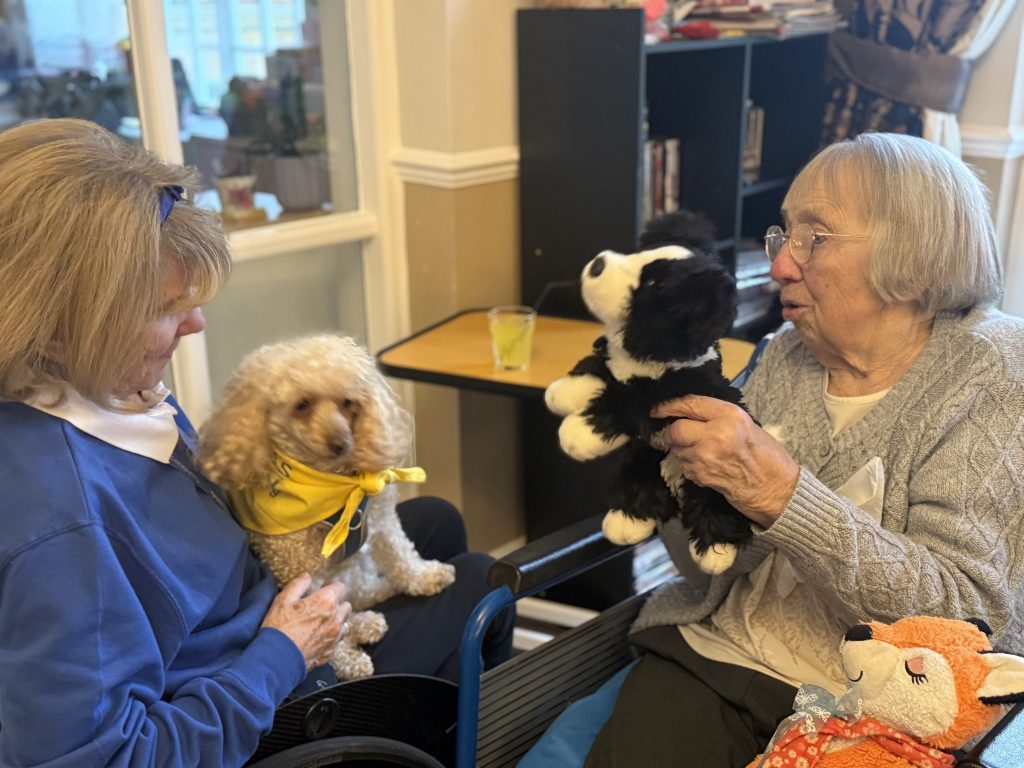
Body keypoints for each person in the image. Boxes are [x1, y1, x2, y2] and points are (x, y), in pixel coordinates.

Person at [0, 117, 513, 767]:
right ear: (54, 332)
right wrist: (283, 652)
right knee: (480, 583)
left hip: (248, 611)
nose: (196, 322)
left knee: (436, 521)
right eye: (165, 308)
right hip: (259, 702)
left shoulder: (108, 387)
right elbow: (111, 758)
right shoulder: (61, 524)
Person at [583, 132, 1024, 767]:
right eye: (782, 236)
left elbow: (966, 624)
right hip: (717, 659)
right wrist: (684, 477)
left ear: (916, 262)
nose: (781, 267)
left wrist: (782, 497)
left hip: (881, 713)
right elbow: (707, 568)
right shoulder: (784, 353)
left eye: (814, 237)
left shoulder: (993, 376)